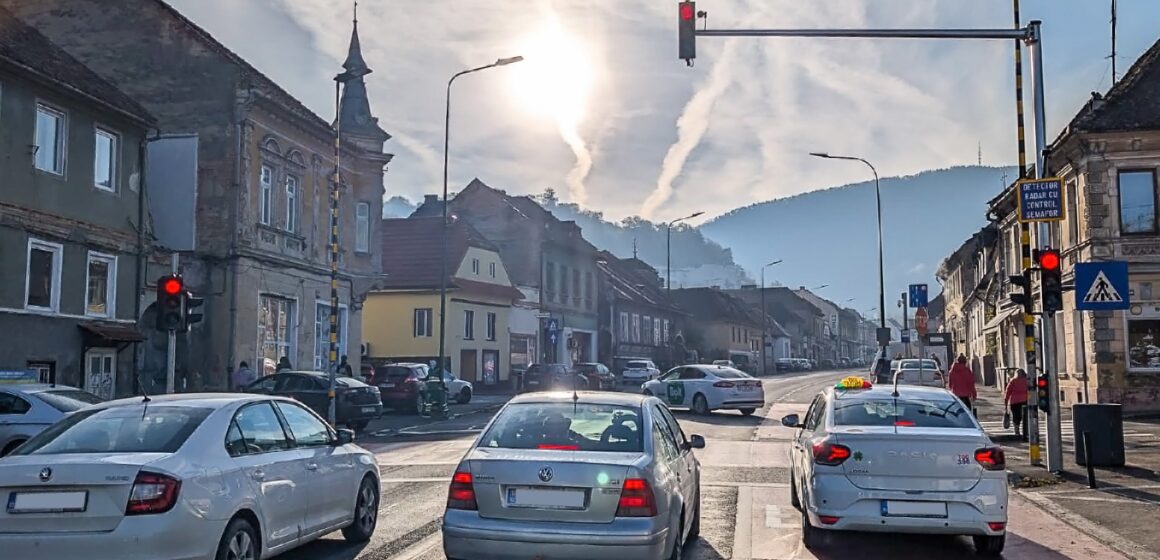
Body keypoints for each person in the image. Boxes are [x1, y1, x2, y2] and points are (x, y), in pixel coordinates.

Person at [1004, 369, 1030, 439]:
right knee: (1025, 416)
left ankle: (1017, 430)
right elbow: (1031, 390)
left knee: (1016, 417)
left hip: (1014, 402)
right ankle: (1026, 431)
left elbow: (1007, 392)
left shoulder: (1013, 381)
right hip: (1025, 401)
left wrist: (1006, 402)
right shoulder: (1027, 381)